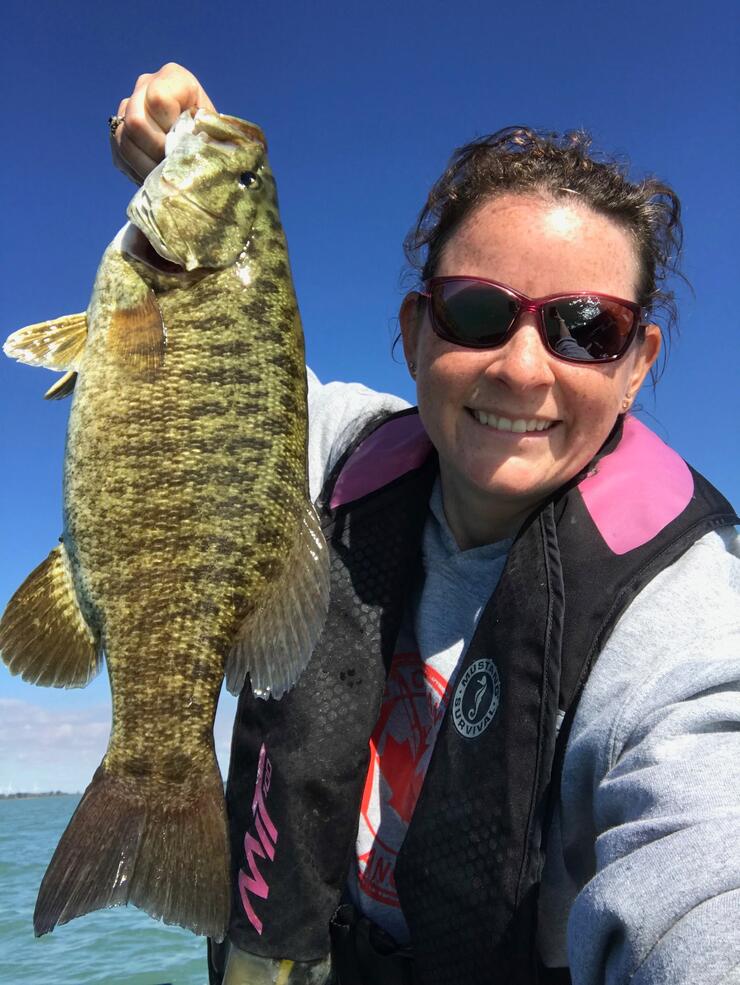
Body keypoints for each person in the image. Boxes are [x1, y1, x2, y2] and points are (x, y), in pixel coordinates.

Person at [112, 65, 740, 985]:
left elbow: (707, 870)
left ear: (637, 362)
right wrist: (186, 160)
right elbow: (219, 360)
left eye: (586, 328)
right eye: (477, 312)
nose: (523, 369)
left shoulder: (687, 624)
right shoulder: (335, 452)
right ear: (414, 334)